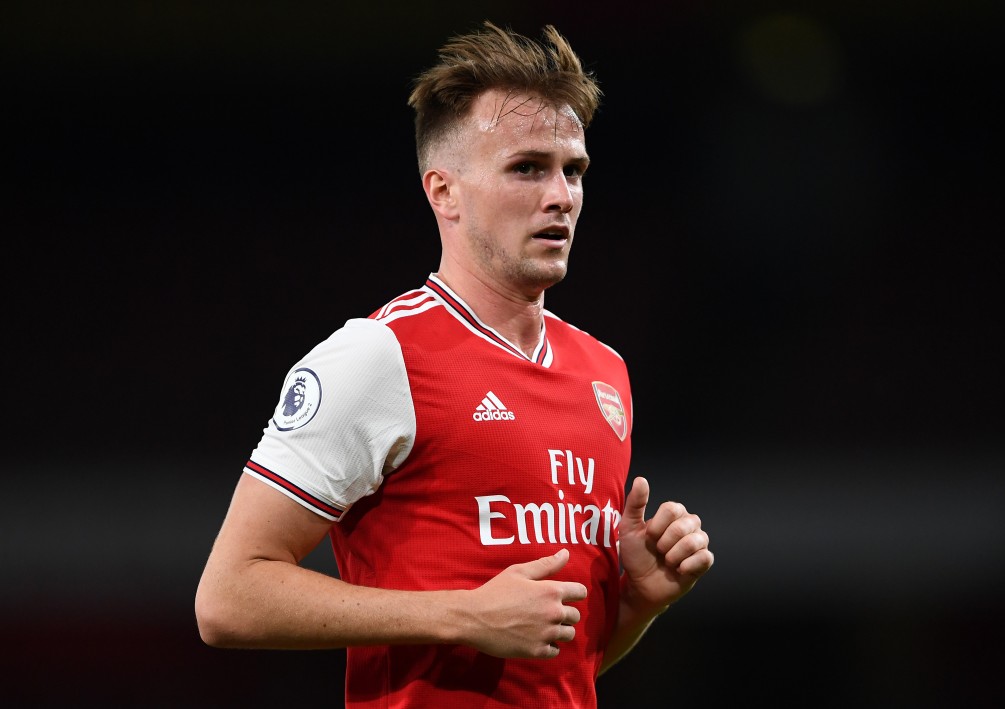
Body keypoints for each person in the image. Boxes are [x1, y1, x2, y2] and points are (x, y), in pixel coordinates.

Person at [195, 20, 714, 708]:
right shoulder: (378, 357)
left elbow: (553, 665)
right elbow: (228, 597)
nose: (560, 195)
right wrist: (462, 614)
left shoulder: (604, 372)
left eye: (573, 170)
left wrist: (638, 604)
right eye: (527, 167)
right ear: (444, 192)